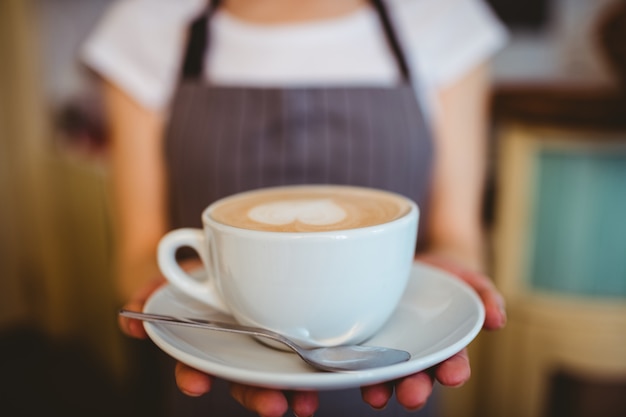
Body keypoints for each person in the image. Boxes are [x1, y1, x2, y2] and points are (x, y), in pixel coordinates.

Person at [83, 0, 508, 415]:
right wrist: (176, 298)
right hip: (216, 385)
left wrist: (448, 289)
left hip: (394, 366)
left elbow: (458, 236)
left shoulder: (443, 14)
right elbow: (139, 252)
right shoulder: (148, 20)